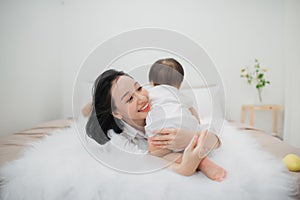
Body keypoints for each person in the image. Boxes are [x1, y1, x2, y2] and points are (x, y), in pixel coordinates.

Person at [86, 69, 224, 178]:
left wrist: (190, 136)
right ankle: (202, 162)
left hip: (184, 133)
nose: (142, 98)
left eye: (139, 88)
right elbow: (148, 161)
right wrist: (185, 168)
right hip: (158, 149)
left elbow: (215, 140)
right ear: (116, 113)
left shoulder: (158, 96)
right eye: (130, 99)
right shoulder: (118, 139)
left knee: (207, 132)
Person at [146, 58, 226, 181]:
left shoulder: (149, 94)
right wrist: (197, 124)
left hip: (160, 134)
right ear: (179, 84)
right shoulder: (181, 96)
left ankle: (199, 163)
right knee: (205, 131)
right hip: (187, 128)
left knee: (160, 154)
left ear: (152, 82)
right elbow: (194, 115)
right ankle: (199, 159)